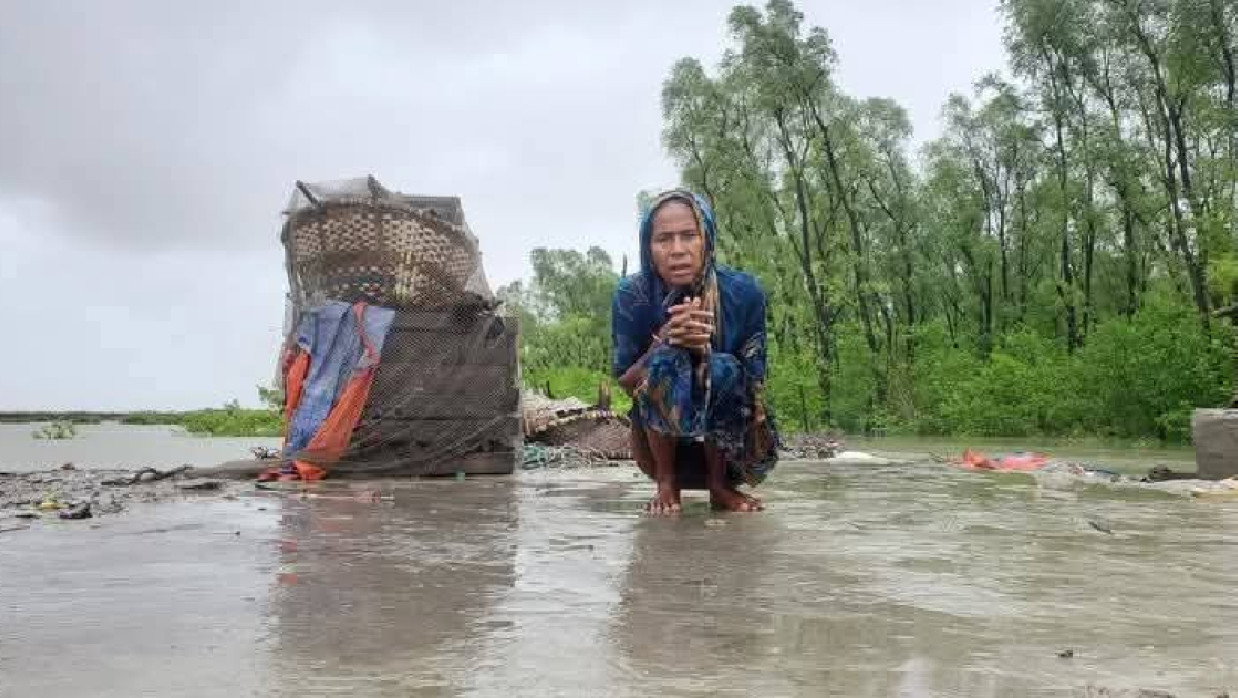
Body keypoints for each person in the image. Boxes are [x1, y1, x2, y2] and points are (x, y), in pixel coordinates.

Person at [611, 189, 779, 515]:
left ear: (708, 239)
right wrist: (664, 341)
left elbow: (755, 386)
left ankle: (719, 487)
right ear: (649, 248)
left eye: (689, 236)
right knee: (663, 360)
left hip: (732, 450)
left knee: (725, 367)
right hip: (659, 448)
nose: (677, 250)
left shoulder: (745, 292)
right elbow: (628, 384)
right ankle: (666, 483)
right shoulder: (631, 295)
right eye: (664, 239)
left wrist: (705, 357)